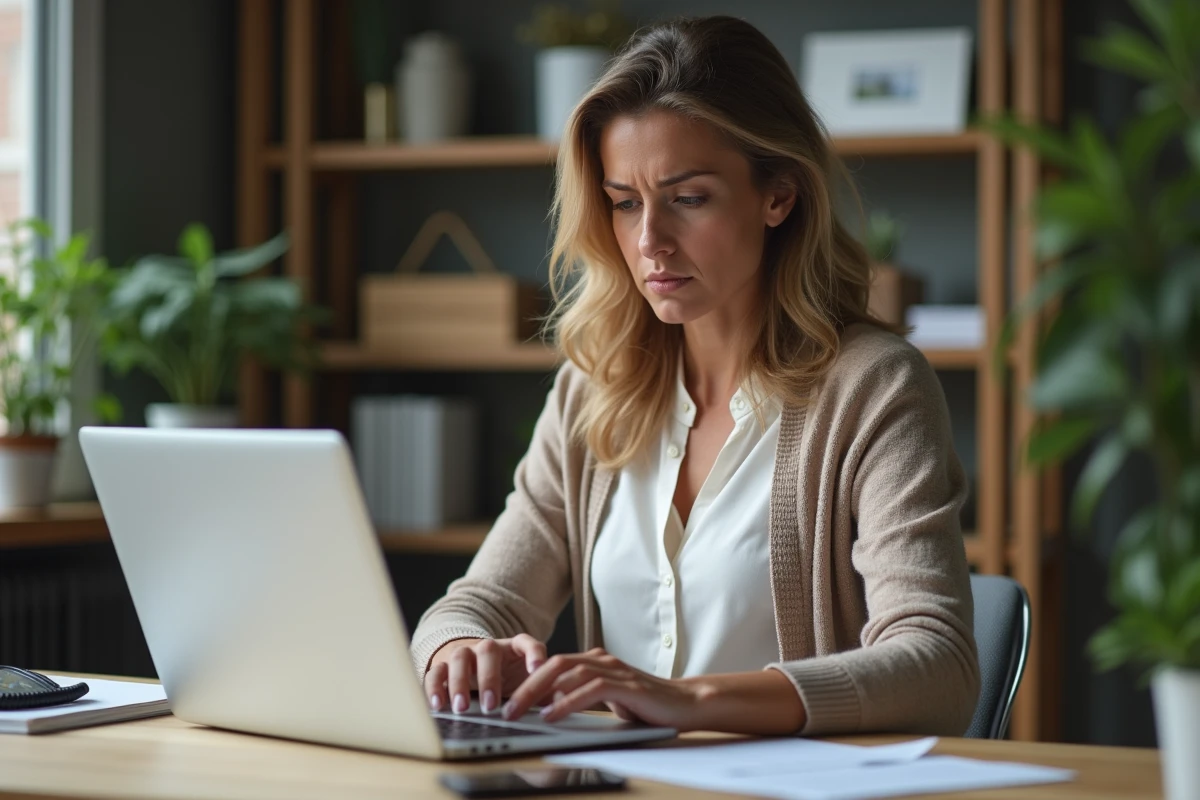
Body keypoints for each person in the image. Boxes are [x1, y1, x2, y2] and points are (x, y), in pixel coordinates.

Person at [411, 15, 979, 737]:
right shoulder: (594, 390)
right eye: (623, 203)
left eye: (689, 198)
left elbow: (938, 665)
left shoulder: (875, 389)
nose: (649, 241)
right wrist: (461, 650)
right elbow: (477, 603)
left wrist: (690, 701)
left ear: (779, 194)